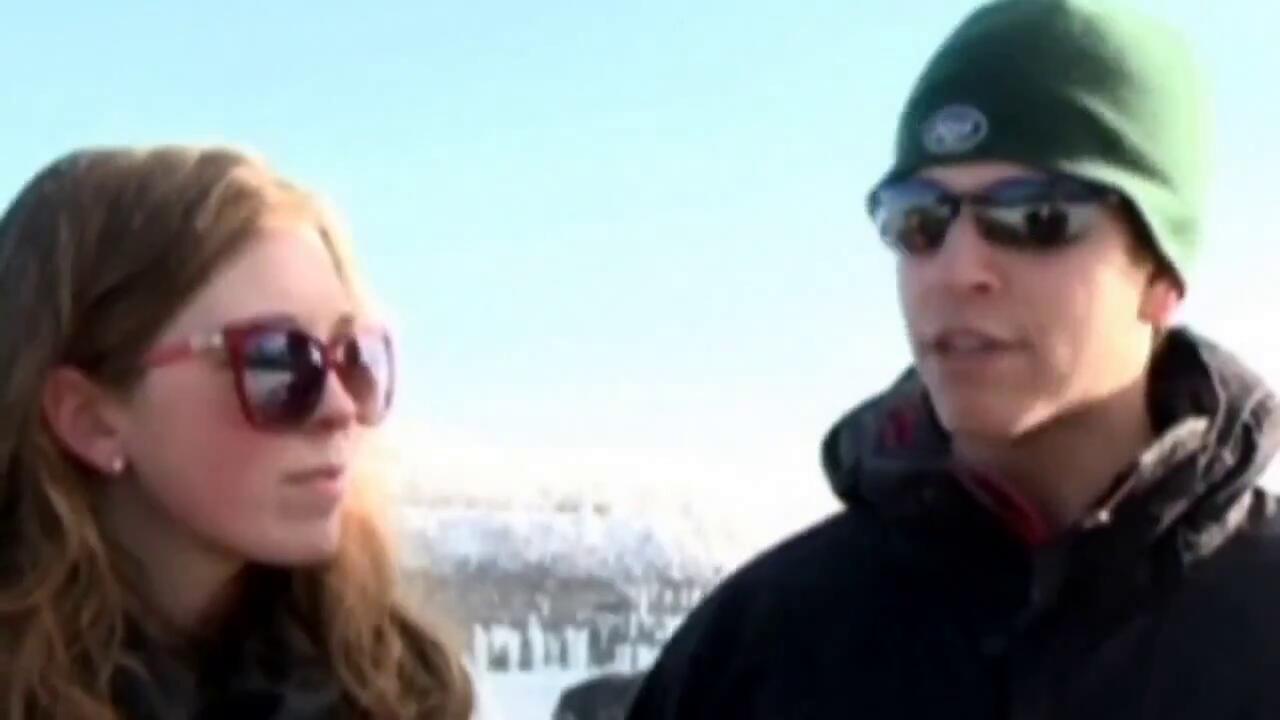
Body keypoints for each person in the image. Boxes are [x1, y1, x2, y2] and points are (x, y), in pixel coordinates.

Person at [627, 1, 1280, 718]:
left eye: (1036, 219)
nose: (955, 269)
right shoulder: (756, 655)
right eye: (919, 220)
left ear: (1161, 277)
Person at [0, 146, 474, 719]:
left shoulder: (400, 692)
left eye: (353, 357)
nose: (340, 406)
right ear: (90, 420)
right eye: (276, 362)